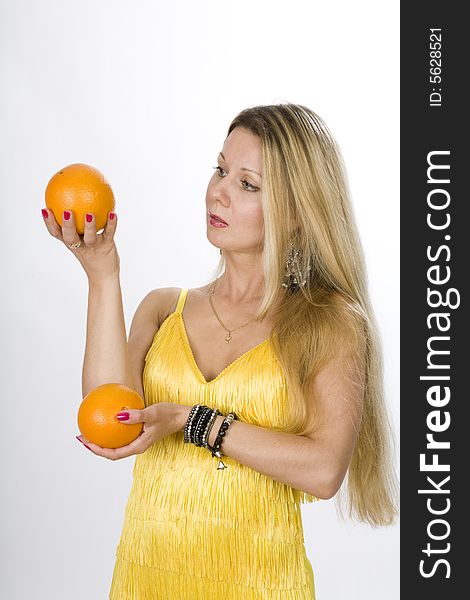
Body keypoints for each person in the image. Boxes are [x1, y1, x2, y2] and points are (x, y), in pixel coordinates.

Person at [41, 103, 399, 599]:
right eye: (220, 169)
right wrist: (102, 274)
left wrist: (191, 420)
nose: (218, 191)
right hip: (145, 579)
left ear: (298, 213)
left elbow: (323, 471)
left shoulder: (328, 322)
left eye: (247, 184)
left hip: (262, 585)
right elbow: (110, 418)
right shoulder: (164, 310)